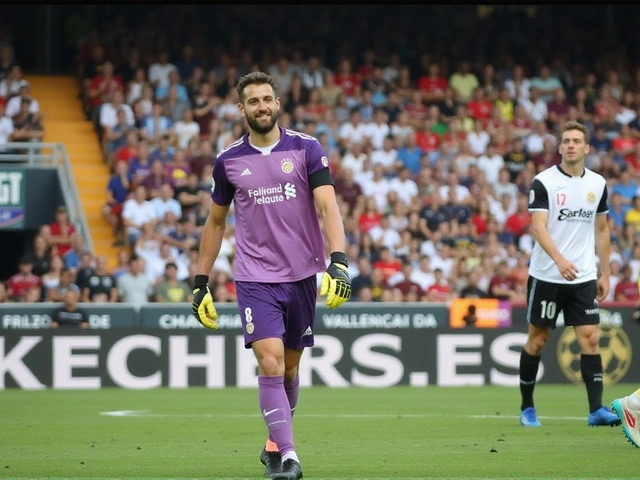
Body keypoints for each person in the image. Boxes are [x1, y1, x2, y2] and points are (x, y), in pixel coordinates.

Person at [191, 72, 351, 480]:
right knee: (270, 361)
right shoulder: (228, 160)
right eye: (253, 101)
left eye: (267, 99)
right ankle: (291, 458)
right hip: (254, 277)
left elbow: (328, 208)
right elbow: (214, 223)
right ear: (241, 109)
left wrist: (339, 260)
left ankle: (273, 444)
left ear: (277, 103)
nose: (262, 106)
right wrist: (200, 281)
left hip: (301, 276)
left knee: (291, 371)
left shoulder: (306, 149)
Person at [519, 121, 620, 428]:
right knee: (537, 340)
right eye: (566, 141)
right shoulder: (544, 181)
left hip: (584, 276)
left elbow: (601, 229)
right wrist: (560, 259)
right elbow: (538, 227)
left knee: (590, 339)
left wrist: (604, 273)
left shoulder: (597, 184)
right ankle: (527, 408)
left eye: (577, 140)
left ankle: (596, 410)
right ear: (560, 147)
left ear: (587, 148)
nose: (572, 145)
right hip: (548, 274)